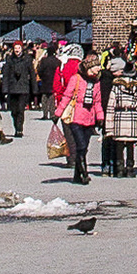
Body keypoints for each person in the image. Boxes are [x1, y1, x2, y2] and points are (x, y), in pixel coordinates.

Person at [54, 50, 103, 185]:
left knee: (84, 147)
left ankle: (77, 175)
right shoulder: (76, 79)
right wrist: (58, 113)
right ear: (89, 67)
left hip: (89, 118)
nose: (97, 71)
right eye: (95, 68)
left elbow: (97, 101)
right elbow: (67, 96)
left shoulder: (96, 82)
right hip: (76, 117)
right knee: (80, 145)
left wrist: (100, 117)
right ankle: (84, 173)